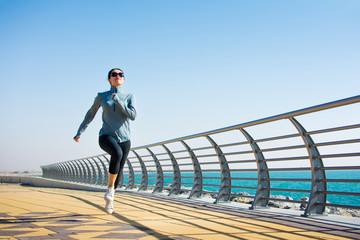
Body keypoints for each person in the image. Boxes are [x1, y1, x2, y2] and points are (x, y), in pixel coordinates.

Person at [73, 68, 137, 214]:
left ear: (124, 79)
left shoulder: (129, 96)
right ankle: (109, 189)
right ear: (109, 79)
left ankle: (110, 199)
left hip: (125, 139)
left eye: (121, 74)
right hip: (106, 136)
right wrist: (79, 132)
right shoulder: (101, 96)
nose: (117, 76)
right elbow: (90, 115)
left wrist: (119, 101)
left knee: (119, 171)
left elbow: (132, 116)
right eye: (114, 74)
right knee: (117, 154)